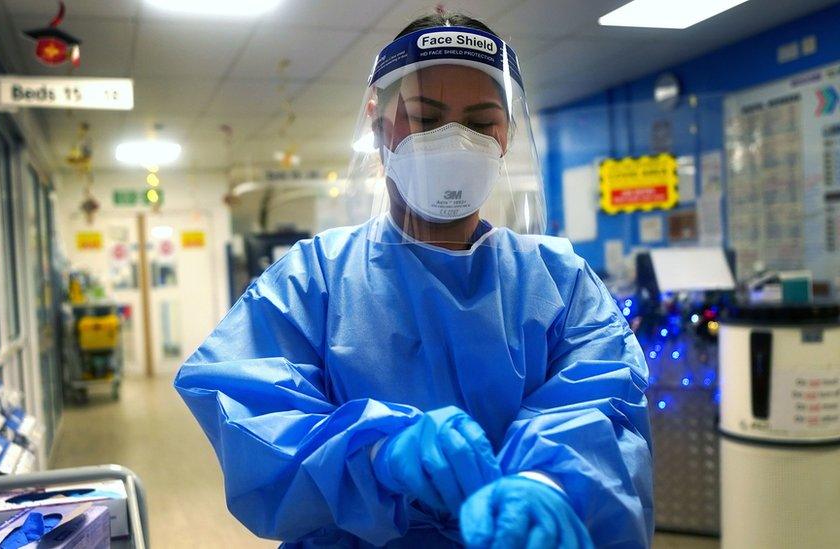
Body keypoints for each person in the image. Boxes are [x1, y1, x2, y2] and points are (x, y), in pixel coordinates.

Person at [174, 10, 653, 549]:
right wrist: (375, 454)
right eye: (425, 119)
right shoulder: (314, 282)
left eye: (480, 122)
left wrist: (548, 485)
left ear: (507, 134)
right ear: (379, 124)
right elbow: (251, 415)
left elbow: (603, 412)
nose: (456, 141)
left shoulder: (561, 284)